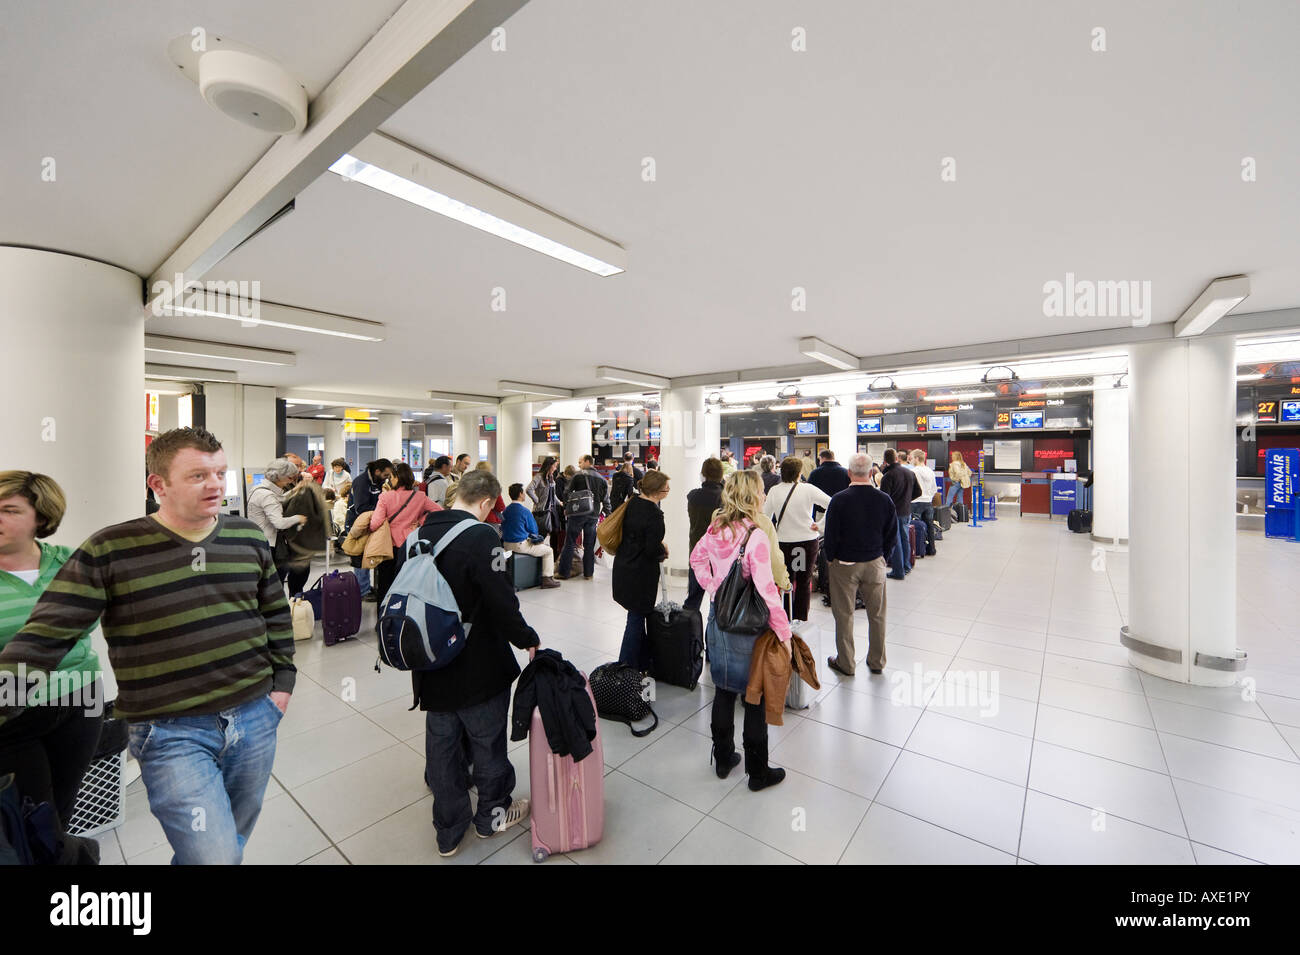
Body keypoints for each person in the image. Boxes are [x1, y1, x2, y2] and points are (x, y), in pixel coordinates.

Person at [0, 428, 294, 864]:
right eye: (198, 475)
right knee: (213, 856)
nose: (215, 485)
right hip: (171, 730)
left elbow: (273, 612)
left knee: (230, 840)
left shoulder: (247, 538)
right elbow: (48, 634)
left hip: (254, 717)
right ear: (158, 485)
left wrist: (282, 685)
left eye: (220, 473)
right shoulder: (111, 549)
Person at [410, 469, 538, 857]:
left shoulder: (419, 533)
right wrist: (527, 639)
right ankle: (491, 816)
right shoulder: (483, 536)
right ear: (484, 502)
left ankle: (448, 831)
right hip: (478, 662)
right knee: (487, 743)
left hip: (430, 662)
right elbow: (502, 600)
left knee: (443, 747)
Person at [0, 472, 105, 829]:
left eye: (9, 510)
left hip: (83, 696)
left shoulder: (69, 562)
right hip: (13, 703)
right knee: (30, 819)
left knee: (62, 808)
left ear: (41, 518)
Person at [688, 470, 791, 792]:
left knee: (723, 690)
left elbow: (696, 559)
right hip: (748, 626)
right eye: (761, 490)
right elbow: (766, 589)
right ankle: (758, 773)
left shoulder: (715, 527)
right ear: (751, 495)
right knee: (754, 698)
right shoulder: (756, 535)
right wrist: (784, 633)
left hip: (719, 619)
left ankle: (722, 757)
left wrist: (714, 588)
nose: (764, 495)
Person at [822, 453, 896, 677]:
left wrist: (830, 558)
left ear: (849, 473)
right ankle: (877, 661)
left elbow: (831, 534)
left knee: (844, 614)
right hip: (874, 563)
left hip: (844, 564)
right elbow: (891, 535)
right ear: (872, 472)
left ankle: (846, 662)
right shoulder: (884, 500)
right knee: (877, 614)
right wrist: (883, 556)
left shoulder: (839, 499)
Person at [612, 470, 670, 670]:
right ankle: (624, 667)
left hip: (623, 567)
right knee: (635, 619)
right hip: (640, 574)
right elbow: (651, 548)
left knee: (636, 615)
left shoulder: (632, 504)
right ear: (657, 491)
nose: (668, 491)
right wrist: (662, 549)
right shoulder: (655, 514)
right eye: (666, 488)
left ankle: (644, 662)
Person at [763, 456, 832, 622]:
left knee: (786, 581)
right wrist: (820, 525)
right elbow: (832, 503)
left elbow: (765, 516)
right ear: (799, 473)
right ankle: (801, 619)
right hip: (807, 541)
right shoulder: (808, 489)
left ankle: (786, 617)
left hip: (784, 542)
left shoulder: (774, 491)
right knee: (803, 581)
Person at [370, 462, 443, 604]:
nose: (389, 480)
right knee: (408, 584)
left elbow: (375, 524)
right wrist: (421, 521)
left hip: (388, 547)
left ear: (397, 477)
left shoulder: (385, 497)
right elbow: (439, 511)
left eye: (391, 477)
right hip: (411, 545)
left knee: (385, 584)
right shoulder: (420, 496)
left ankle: (384, 619)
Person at [247, 457, 311, 596]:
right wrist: (297, 518)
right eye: (289, 478)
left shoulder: (258, 489)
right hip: (268, 546)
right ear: (280, 477)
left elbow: (278, 499)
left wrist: (296, 490)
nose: (290, 481)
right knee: (274, 584)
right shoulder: (267, 495)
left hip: (257, 542)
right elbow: (279, 523)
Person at [345, 458, 394, 600]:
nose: (387, 478)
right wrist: (383, 511)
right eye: (386, 475)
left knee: (369, 556)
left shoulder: (378, 482)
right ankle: (363, 591)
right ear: (377, 471)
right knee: (360, 558)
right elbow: (361, 508)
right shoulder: (361, 482)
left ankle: (366, 587)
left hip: (371, 525)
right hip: (357, 525)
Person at [684, 457, 725, 611]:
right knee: (719, 600)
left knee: (692, 600)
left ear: (703, 474)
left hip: (697, 552)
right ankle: (714, 634)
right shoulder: (725, 498)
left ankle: (690, 633)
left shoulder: (693, 496)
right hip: (719, 555)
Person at [558, 456, 608, 580]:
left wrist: (566, 507)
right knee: (589, 545)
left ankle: (564, 573)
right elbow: (606, 500)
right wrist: (605, 514)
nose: (579, 464)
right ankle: (588, 574)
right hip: (593, 515)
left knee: (570, 542)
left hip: (577, 514)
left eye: (580, 462)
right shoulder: (602, 479)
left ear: (587, 462)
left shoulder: (578, 476)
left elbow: (566, 492)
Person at [501, 483, 561, 589]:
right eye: (523, 492)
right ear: (520, 494)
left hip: (506, 545)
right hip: (520, 545)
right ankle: (547, 578)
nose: (524, 494)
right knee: (548, 551)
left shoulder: (506, 510)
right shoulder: (524, 511)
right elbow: (534, 530)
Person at [879, 449, 922, 580]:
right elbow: (918, 492)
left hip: (894, 513)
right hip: (906, 511)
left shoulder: (888, 476)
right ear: (897, 458)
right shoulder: (909, 473)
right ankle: (906, 566)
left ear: (885, 461)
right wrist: (907, 500)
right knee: (905, 539)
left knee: (895, 541)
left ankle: (898, 571)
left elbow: (884, 498)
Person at [525, 456, 562, 557]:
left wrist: (560, 503)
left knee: (555, 533)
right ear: (549, 466)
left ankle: (554, 558)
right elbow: (529, 489)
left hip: (552, 511)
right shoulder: (539, 477)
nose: (555, 468)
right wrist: (537, 500)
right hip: (541, 512)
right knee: (541, 535)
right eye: (554, 466)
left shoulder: (551, 478)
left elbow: (552, 494)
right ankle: (537, 556)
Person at [909, 449, 939, 557]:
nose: (911, 460)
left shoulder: (914, 471)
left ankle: (918, 549)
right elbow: (934, 488)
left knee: (916, 526)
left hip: (916, 502)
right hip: (928, 502)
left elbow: (912, 488)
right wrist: (929, 496)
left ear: (917, 458)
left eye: (912, 458)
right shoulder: (930, 471)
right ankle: (931, 549)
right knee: (929, 525)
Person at [474, 461, 507, 525]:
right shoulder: (492, 485)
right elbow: (501, 507)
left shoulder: (472, 484)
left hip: (475, 518)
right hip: (490, 520)